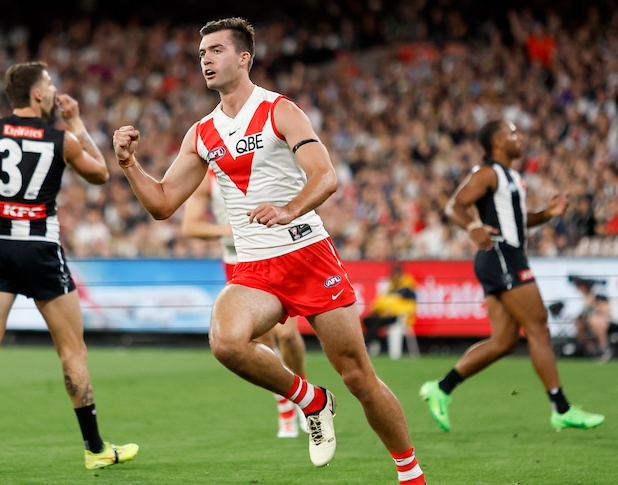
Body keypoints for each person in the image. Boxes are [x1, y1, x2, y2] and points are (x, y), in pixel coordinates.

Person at [113, 17, 425, 483]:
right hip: (256, 266)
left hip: (308, 254)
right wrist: (129, 164)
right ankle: (310, 401)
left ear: (244, 57)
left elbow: (326, 176)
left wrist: (288, 209)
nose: (206, 61)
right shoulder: (201, 133)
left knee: (358, 376)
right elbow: (161, 203)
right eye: (202, 54)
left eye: (216, 51)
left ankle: (411, 474)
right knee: (226, 341)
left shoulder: (280, 110)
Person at [0, 61, 138, 471]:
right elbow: (101, 174)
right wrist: (78, 122)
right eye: (49, 84)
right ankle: (95, 448)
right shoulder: (61, 138)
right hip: (40, 248)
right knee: (73, 351)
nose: (53, 91)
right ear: (36, 94)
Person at [420, 120, 605, 432]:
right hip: (502, 255)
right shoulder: (487, 172)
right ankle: (561, 408)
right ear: (496, 143)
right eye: (512, 134)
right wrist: (472, 227)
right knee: (538, 326)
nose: (519, 139)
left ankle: (441, 388)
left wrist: (547, 214)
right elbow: (454, 206)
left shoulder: (513, 177)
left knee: (504, 342)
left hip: (504, 255)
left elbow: (517, 220)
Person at [182, 167, 308, 438]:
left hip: (274, 254)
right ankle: (285, 407)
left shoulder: (262, 161)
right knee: (262, 343)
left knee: (287, 335)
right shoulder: (208, 177)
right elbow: (190, 226)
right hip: (238, 261)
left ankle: (304, 396)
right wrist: (228, 229)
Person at [363, 265, 418, 356]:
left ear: (401, 275)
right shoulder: (391, 287)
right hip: (386, 315)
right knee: (368, 320)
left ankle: (367, 344)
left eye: (396, 275)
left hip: (398, 316)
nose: (394, 277)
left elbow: (411, 306)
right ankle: (373, 343)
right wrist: (375, 309)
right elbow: (382, 301)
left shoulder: (407, 288)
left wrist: (393, 311)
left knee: (375, 322)